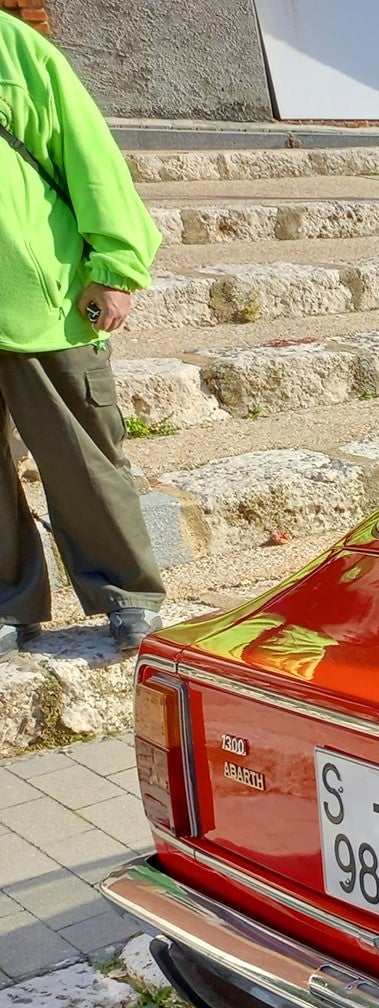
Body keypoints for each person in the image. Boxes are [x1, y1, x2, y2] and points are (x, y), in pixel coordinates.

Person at [0, 11, 165, 655]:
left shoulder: (20, 52)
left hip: (42, 299)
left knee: (83, 457)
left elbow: (88, 154)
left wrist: (116, 266)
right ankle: (11, 602)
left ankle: (126, 595)